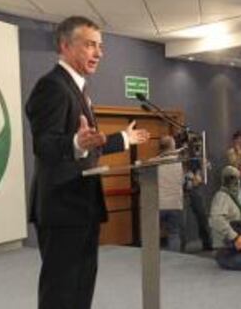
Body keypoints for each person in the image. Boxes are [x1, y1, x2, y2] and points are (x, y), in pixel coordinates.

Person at [25, 16, 149, 309]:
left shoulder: (76, 89)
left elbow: (87, 148)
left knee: (80, 288)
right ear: (65, 46)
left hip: (80, 207)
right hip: (62, 209)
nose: (99, 53)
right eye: (90, 45)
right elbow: (44, 144)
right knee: (61, 292)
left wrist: (121, 139)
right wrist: (76, 142)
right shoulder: (52, 86)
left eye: (100, 46)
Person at [155, 136, 184, 252]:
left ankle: (152, 259)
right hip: (175, 203)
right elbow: (183, 181)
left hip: (158, 203)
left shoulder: (153, 162)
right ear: (172, 146)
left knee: (153, 233)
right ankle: (174, 259)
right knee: (174, 233)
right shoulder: (180, 163)